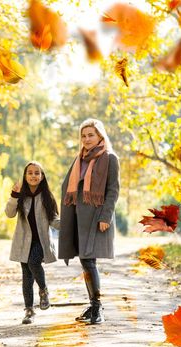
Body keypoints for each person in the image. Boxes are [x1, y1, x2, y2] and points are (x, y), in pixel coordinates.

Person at [59, 118, 120, 325]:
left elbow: (113, 191)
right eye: (83, 136)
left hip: (96, 217)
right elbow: (68, 188)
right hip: (77, 217)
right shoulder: (79, 160)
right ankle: (93, 304)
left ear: (100, 136)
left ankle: (97, 308)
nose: (86, 139)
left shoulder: (110, 159)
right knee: (85, 260)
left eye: (90, 135)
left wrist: (105, 216)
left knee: (88, 260)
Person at [5, 161, 60, 324]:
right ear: (25, 175)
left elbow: (54, 219)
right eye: (30, 173)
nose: (33, 176)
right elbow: (9, 213)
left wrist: (69, 225)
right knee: (26, 277)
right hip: (23, 242)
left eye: (37, 173)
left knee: (34, 263)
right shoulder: (20, 195)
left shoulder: (47, 196)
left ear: (42, 177)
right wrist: (14, 196)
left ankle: (43, 290)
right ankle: (29, 311)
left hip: (41, 242)